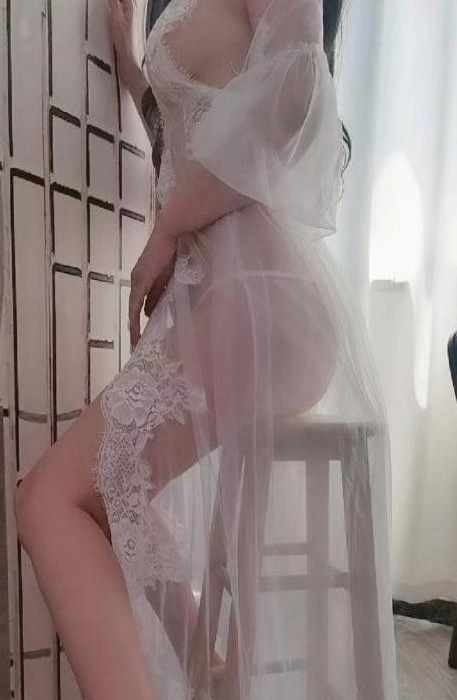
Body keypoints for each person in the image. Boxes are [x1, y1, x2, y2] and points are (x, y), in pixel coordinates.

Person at [14, 0, 399, 699]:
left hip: (260, 298)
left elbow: (291, 99)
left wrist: (167, 229)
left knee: (49, 500)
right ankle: (211, 671)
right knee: (103, 491)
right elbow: (204, 129)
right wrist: (135, 73)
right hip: (238, 299)